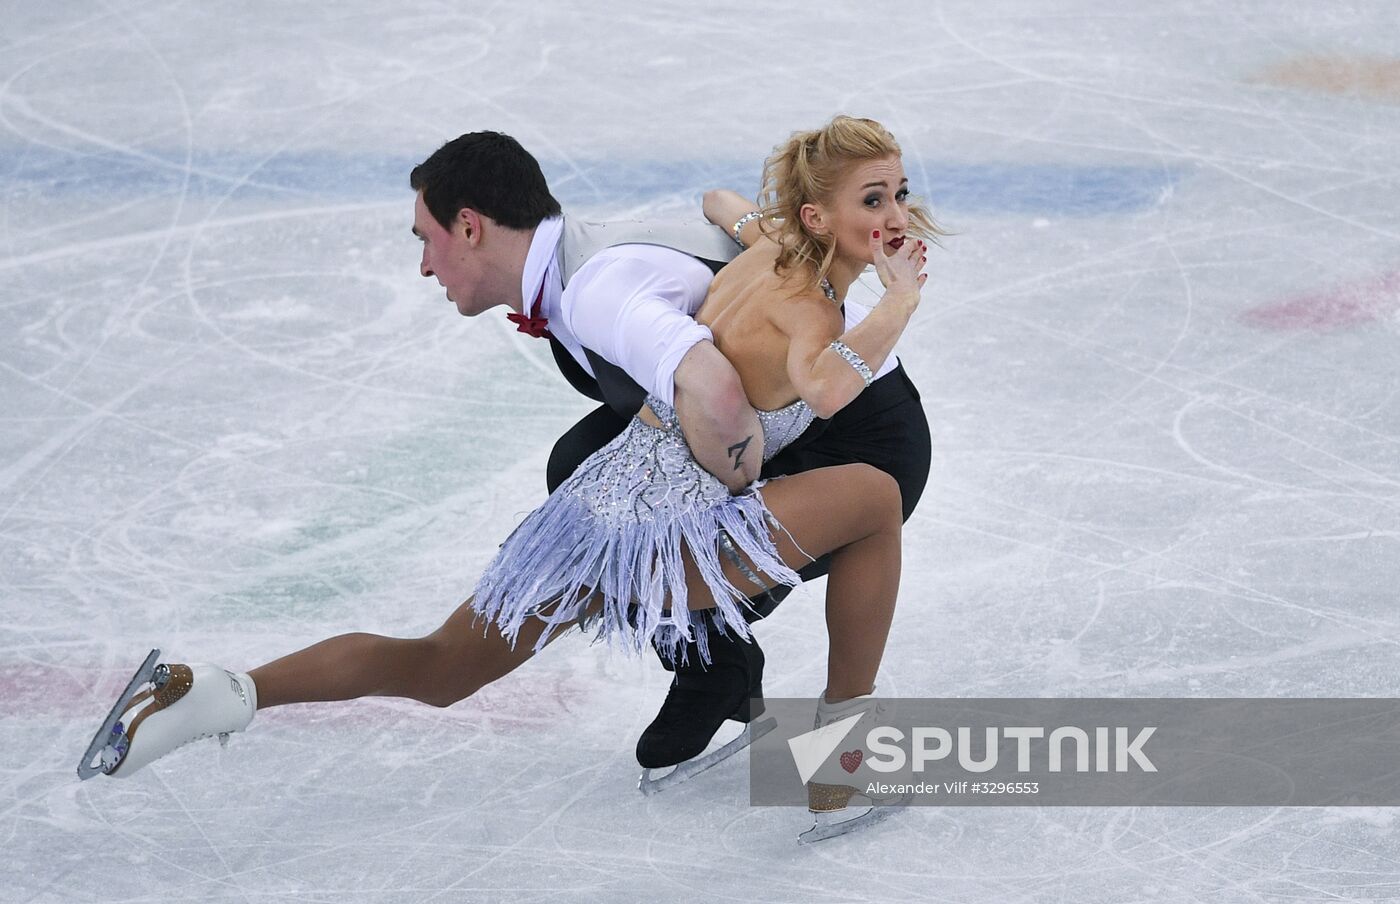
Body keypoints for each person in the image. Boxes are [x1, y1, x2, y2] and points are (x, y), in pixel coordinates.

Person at [80, 120, 941, 827]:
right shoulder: (746, 296)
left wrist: (765, 225)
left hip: (594, 516)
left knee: (441, 665)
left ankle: (221, 694)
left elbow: (728, 224)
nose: (899, 213)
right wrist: (896, 301)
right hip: (668, 526)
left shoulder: (721, 261)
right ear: (817, 217)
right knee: (871, 503)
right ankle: (843, 760)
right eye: (875, 198)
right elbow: (771, 392)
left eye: (898, 193)